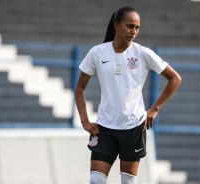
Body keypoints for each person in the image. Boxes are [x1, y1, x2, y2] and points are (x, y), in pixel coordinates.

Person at [75, 6, 181, 184]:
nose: (134, 31)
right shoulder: (97, 52)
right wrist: (85, 121)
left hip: (133, 128)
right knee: (95, 180)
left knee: (128, 182)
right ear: (116, 25)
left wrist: (155, 109)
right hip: (105, 128)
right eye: (130, 26)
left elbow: (175, 79)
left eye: (137, 28)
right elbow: (79, 89)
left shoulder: (143, 53)